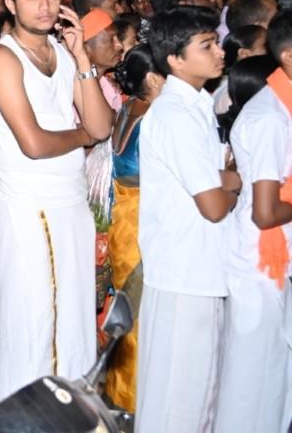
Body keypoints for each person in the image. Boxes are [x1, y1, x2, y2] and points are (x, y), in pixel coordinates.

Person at [0, 0, 113, 401]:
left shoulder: (62, 52)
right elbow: (34, 142)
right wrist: (82, 138)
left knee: (73, 309)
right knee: (32, 311)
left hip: (70, 198)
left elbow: (103, 124)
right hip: (28, 199)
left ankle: (70, 402)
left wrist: (82, 60)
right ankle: (24, 408)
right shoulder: (2, 58)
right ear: (11, 3)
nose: (45, 6)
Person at [136, 6, 241, 432]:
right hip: (185, 269)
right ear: (175, 60)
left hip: (196, 265)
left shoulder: (195, 105)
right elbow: (213, 204)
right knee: (179, 395)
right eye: (207, 46)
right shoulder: (176, 115)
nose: (220, 53)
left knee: (196, 390)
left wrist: (229, 180)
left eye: (216, 42)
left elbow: (212, 179)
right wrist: (239, 184)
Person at [216, 16, 292, 432]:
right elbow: (266, 212)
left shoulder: (283, 105)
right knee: (252, 376)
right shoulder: (269, 118)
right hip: (259, 260)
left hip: (274, 258)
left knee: (275, 372)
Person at [103, 44, 164, 412]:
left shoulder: (128, 107)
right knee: (141, 309)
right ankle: (136, 396)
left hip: (124, 215)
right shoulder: (156, 115)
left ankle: (121, 388)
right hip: (142, 216)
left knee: (129, 304)